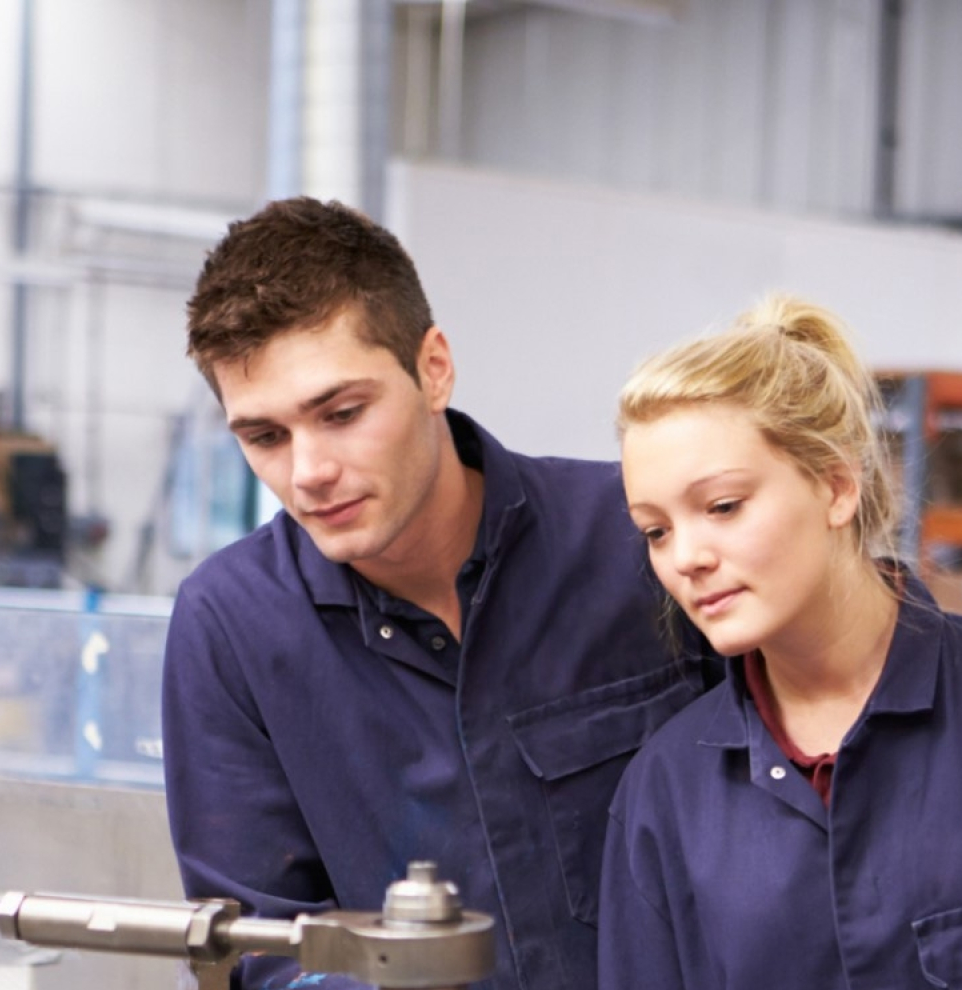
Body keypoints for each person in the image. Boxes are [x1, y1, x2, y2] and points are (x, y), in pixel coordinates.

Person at [161, 196, 714, 990]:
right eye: (265, 437)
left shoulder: (637, 538)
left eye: (342, 413)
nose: (309, 471)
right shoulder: (230, 626)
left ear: (434, 368)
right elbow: (261, 949)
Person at [597, 293, 962, 990]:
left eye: (723, 507)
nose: (687, 557)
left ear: (835, 486)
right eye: (656, 530)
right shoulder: (665, 793)